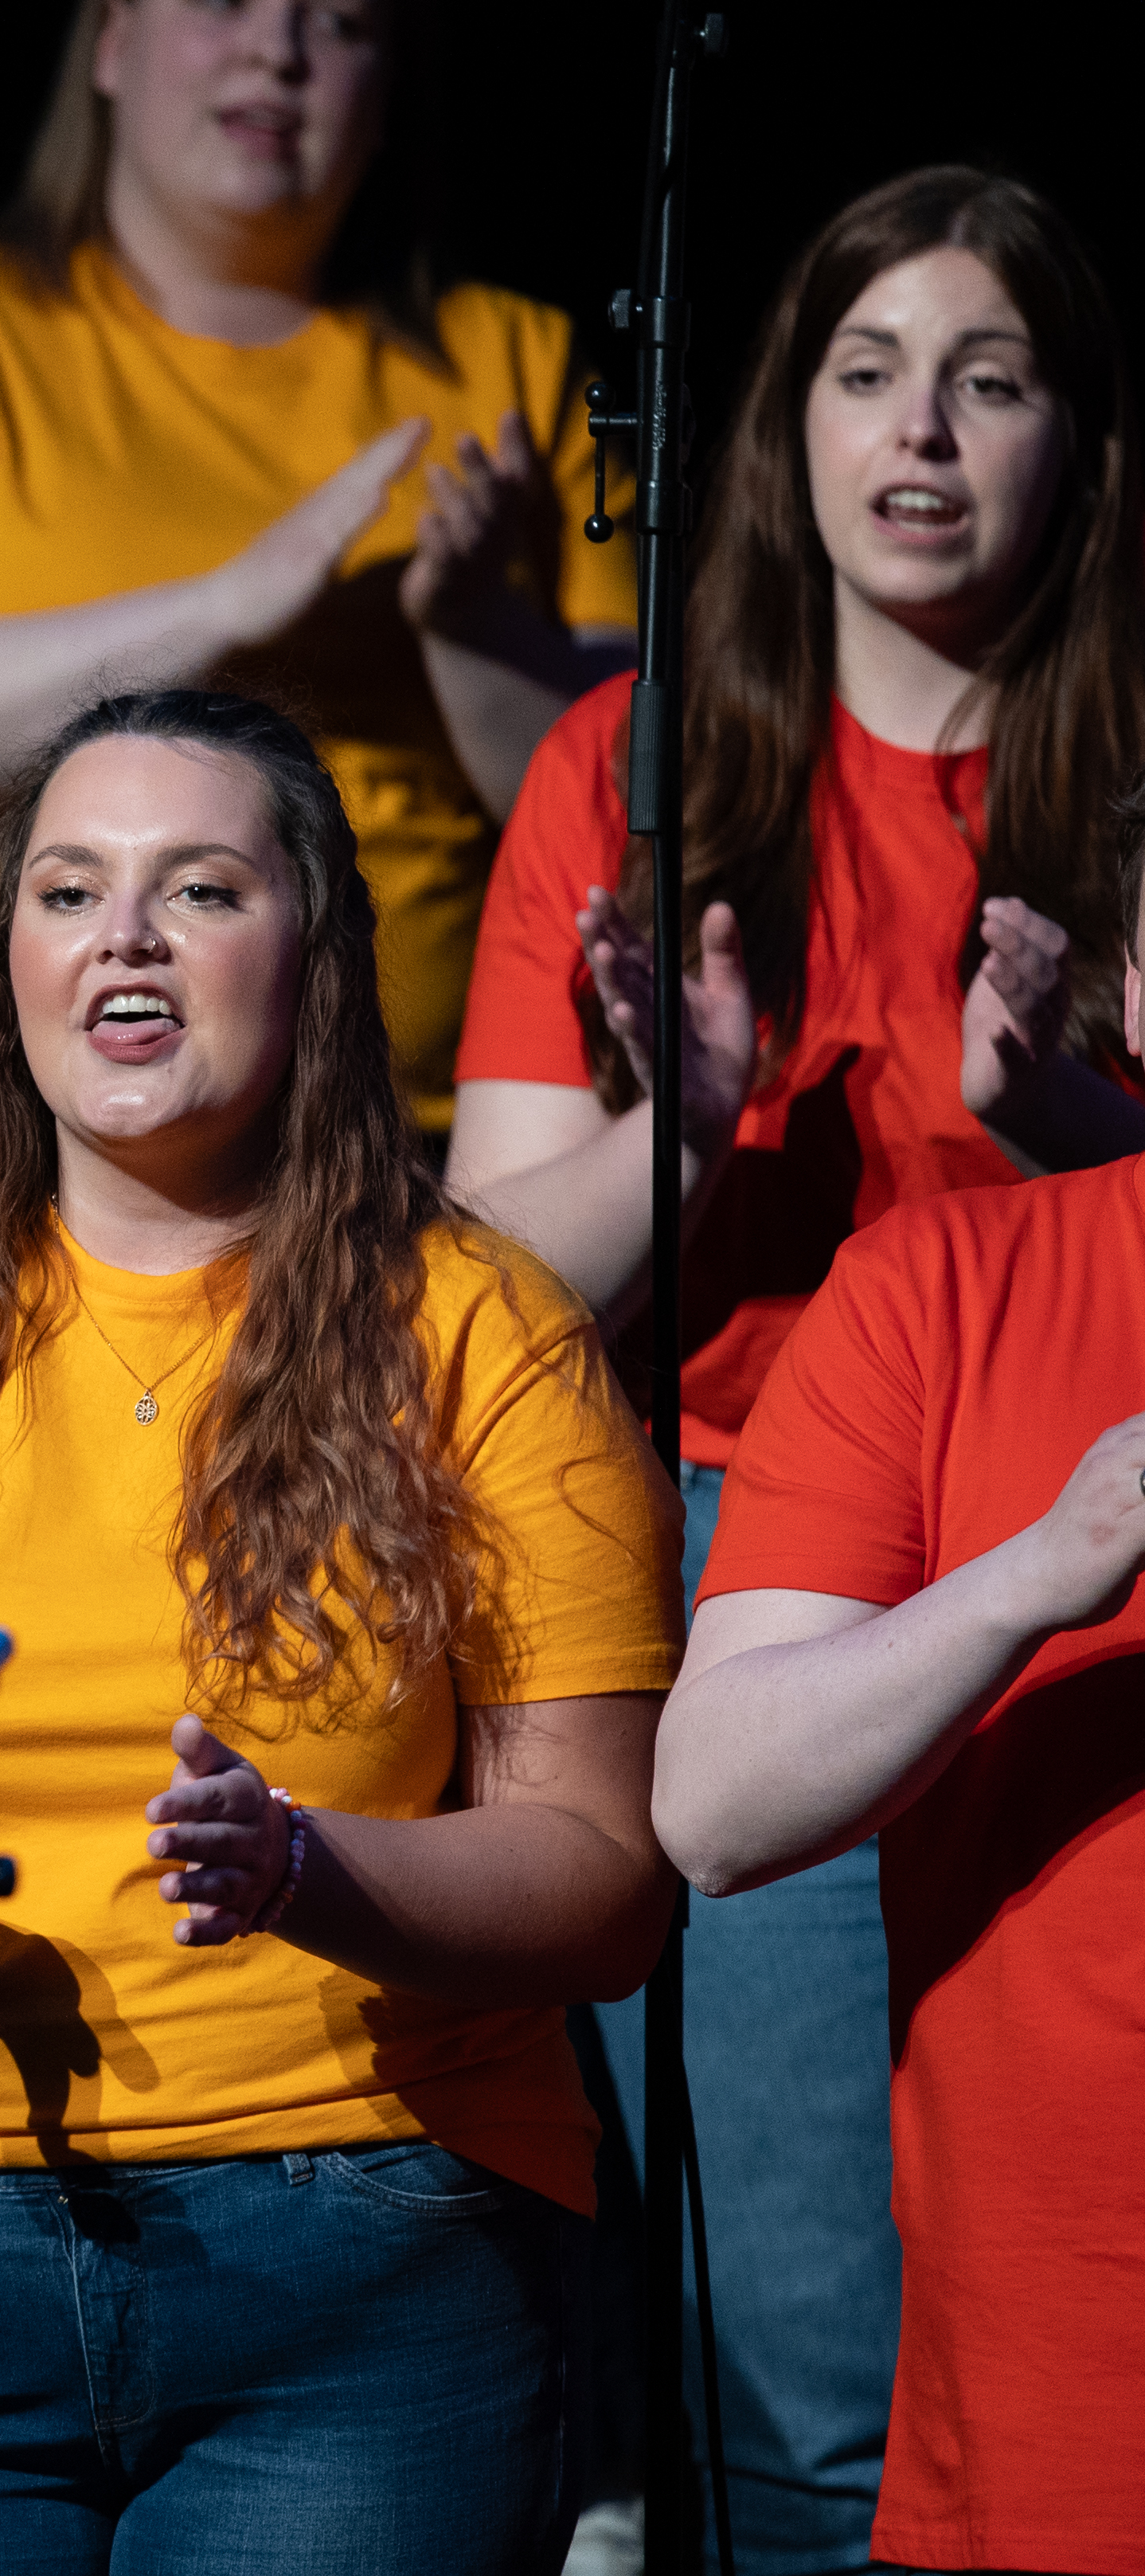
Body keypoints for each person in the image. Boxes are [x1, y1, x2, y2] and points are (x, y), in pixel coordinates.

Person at [0, 690, 680, 2570]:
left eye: (199, 888)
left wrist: (309, 1869)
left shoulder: (482, 1331)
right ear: (10, 962)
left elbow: (604, 1881)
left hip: (359, 2257)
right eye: (69, 890)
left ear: (317, 962)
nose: (122, 934)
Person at [448, 165, 1139, 2570]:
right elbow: (483, 1284)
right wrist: (690, 1136)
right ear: (787, 427)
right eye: (867, 372)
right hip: (774, 1571)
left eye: (990, 375)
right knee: (826, 2350)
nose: (922, 430)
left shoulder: (1129, 769)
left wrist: (1082, 1123)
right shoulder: (644, 782)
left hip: (1107, 1546)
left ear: (1078, 437)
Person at [0, 0, 634, 1129]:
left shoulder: (515, 358)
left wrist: (471, 632)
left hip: (401, 1138)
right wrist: (230, 606)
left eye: (334, 22)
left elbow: (623, 822)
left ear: (388, 89)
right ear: (113, 44)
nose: (274, 54)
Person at [650, 795, 1145, 2576]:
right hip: (1056, 2426)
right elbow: (711, 1807)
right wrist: (1055, 1562)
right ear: (1137, 990)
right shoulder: (941, 1286)